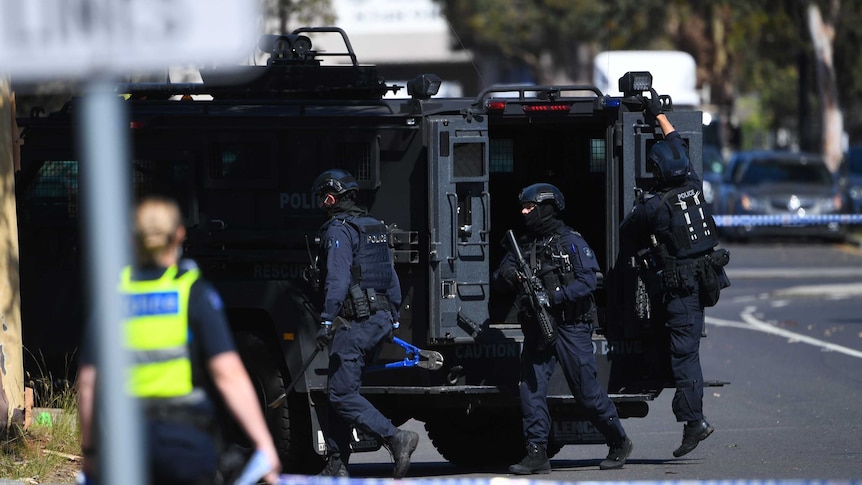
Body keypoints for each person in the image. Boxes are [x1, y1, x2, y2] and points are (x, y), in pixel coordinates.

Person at [77, 195, 281, 485]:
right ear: (180, 235)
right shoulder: (192, 294)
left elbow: (87, 384)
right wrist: (264, 445)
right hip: (186, 444)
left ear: (132, 239)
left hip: (126, 445)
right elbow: (229, 375)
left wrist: (91, 452)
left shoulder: (114, 297)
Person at [493, 183, 633, 474]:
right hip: (537, 327)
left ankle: (618, 440)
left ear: (546, 207)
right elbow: (500, 275)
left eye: (530, 207)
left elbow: (589, 281)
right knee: (531, 389)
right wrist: (512, 276)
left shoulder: (570, 242)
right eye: (523, 207)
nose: (524, 212)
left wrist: (555, 297)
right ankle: (537, 452)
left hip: (571, 326)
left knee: (587, 392)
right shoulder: (524, 244)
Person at [620, 89, 725, 457]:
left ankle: (694, 421)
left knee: (685, 356)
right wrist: (657, 114)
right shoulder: (692, 186)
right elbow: (676, 143)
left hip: (681, 289)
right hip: (700, 281)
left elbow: (625, 230)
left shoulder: (657, 207)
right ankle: (690, 416)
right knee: (682, 349)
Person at [311, 168, 419, 478]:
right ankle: (336, 464)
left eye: (323, 196)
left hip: (354, 322)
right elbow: (391, 276)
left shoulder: (339, 230)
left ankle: (396, 437)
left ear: (332, 197)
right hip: (379, 319)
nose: (322, 202)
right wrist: (392, 317)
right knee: (339, 387)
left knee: (342, 394)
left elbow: (337, 278)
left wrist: (327, 319)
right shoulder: (373, 226)